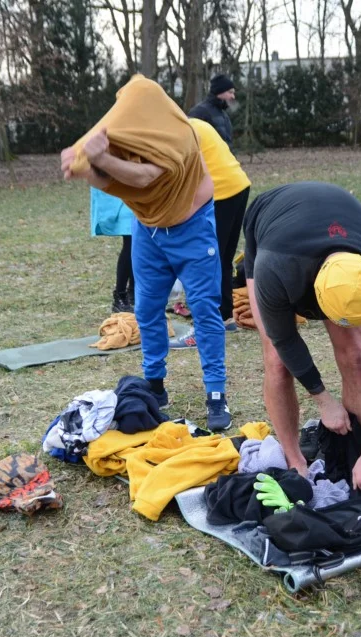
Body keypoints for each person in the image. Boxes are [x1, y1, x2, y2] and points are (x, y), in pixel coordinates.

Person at [60, 74, 231, 432]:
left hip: (192, 227)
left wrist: (100, 157)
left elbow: (144, 177)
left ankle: (216, 393)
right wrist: (83, 166)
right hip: (149, 230)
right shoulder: (132, 136)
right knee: (146, 308)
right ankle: (155, 384)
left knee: (204, 308)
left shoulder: (179, 136)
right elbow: (110, 181)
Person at [243, 182, 361, 490]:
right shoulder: (275, 268)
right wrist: (324, 400)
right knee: (277, 360)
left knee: (356, 353)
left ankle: (354, 456)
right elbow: (285, 340)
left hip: (338, 226)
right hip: (274, 229)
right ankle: (295, 460)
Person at [169, 118, 251, 349]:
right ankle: (225, 317)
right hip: (238, 185)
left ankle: (204, 328)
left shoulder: (178, 131)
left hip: (220, 192)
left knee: (203, 259)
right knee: (222, 257)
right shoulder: (193, 122)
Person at [90, 187, 134, 313]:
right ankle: (120, 296)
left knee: (137, 240)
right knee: (131, 239)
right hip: (117, 189)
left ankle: (133, 294)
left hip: (133, 189)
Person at [188, 74, 235, 148]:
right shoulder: (199, 112)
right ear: (220, 91)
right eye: (230, 92)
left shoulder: (224, 114)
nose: (233, 96)